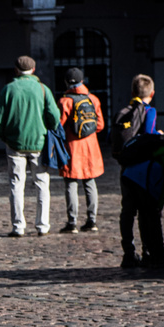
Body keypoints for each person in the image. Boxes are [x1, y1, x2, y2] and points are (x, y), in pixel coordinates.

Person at [0, 55, 59, 238]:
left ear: (15, 70)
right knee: (42, 185)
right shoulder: (43, 89)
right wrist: (48, 129)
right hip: (39, 143)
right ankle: (43, 225)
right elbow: (54, 117)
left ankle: (18, 226)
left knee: (16, 185)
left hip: (15, 145)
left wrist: (4, 137)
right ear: (34, 69)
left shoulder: (9, 89)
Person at [113, 75, 164, 268]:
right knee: (146, 211)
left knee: (127, 211)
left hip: (125, 168)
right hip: (143, 170)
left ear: (132, 92)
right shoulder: (149, 111)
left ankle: (128, 252)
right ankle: (148, 251)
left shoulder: (123, 112)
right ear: (151, 93)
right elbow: (149, 135)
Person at [56, 68, 104, 233]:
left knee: (71, 184)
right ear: (83, 81)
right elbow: (100, 125)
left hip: (72, 148)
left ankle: (72, 222)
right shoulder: (93, 99)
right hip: (90, 148)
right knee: (90, 183)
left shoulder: (65, 101)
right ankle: (92, 220)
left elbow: (59, 126)